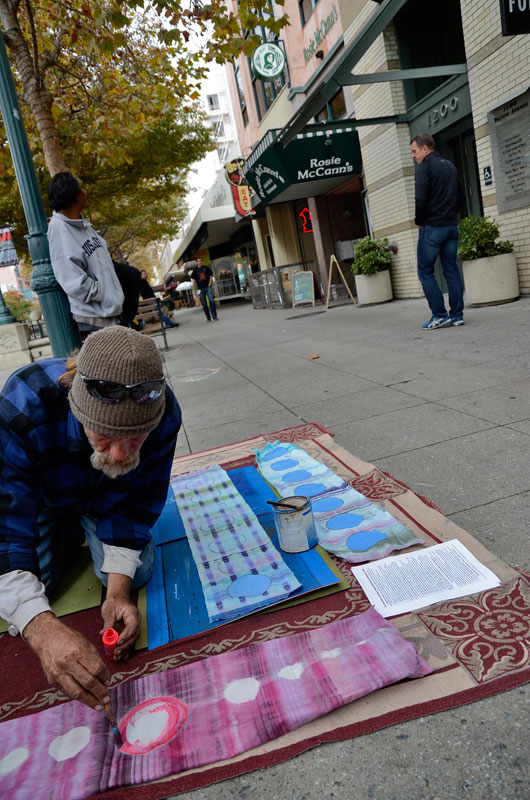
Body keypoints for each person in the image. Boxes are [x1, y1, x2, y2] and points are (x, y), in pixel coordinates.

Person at [0, 326, 181, 710]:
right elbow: (5, 528)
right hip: (40, 501)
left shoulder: (165, 413)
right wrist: (43, 631)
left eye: (136, 438)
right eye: (105, 436)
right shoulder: (24, 401)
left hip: (107, 503)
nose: (119, 455)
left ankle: (76, 530)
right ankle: (64, 528)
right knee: (28, 588)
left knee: (139, 571)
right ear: (77, 409)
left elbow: (137, 504)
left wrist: (117, 593)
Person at [47, 171, 124, 337]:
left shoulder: (85, 226)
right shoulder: (58, 228)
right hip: (94, 319)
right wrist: (104, 292)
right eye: (81, 189)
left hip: (109, 313)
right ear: (73, 195)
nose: (85, 193)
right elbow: (72, 280)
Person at [411, 133, 466, 329]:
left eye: (415, 151)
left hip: (433, 227)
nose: (414, 156)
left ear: (425, 148)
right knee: (451, 269)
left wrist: (420, 221)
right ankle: (457, 315)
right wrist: (451, 215)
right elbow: (461, 196)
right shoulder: (450, 166)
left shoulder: (424, 168)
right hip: (451, 226)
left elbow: (420, 199)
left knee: (425, 271)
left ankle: (440, 315)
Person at [190, 257, 219, 322]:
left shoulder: (206, 268)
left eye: (201, 261)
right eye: (198, 261)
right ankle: (208, 318)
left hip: (208, 287)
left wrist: (209, 284)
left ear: (202, 261)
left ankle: (214, 317)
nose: (200, 262)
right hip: (201, 289)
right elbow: (194, 281)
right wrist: (194, 290)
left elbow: (211, 277)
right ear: (196, 262)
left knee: (212, 301)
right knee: (204, 304)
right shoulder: (195, 270)